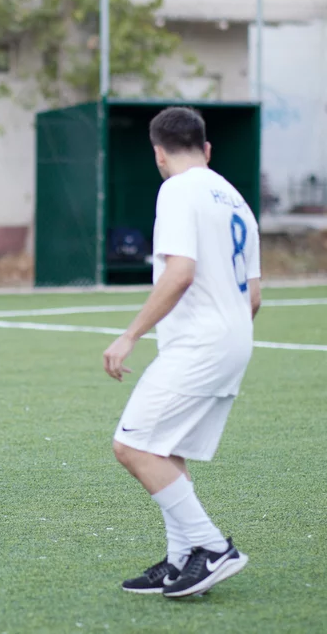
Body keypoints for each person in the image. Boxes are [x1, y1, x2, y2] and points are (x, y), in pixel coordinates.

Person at [102, 106, 261, 598]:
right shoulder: (235, 199)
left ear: (158, 154)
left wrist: (129, 334)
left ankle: (211, 547)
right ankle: (181, 560)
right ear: (207, 149)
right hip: (234, 338)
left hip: (201, 344)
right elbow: (254, 297)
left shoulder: (177, 189)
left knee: (131, 446)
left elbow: (180, 271)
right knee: (166, 448)